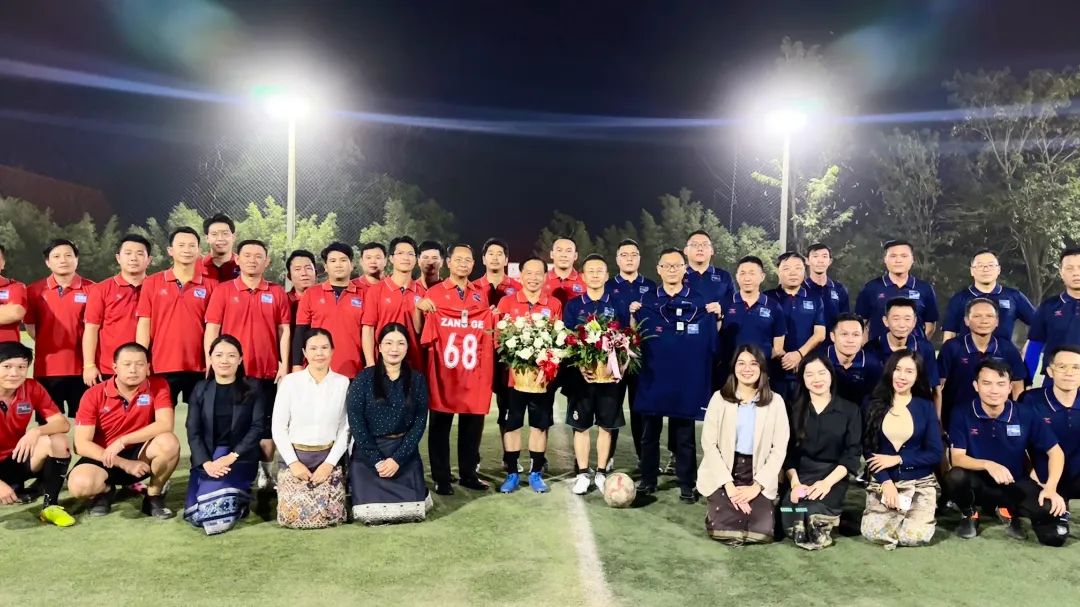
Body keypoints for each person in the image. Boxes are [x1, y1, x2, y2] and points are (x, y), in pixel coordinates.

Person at [946, 359, 1067, 545]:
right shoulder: (962, 412)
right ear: (976, 386)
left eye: (1001, 384)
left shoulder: (1025, 413)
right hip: (978, 484)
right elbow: (957, 458)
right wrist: (988, 464)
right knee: (955, 477)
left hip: (1014, 483)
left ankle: (1006, 509)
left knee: (1055, 536)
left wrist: (1050, 487)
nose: (994, 390)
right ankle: (970, 513)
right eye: (986, 383)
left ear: (1010, 387)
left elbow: (1056, 452)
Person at [632, 248, 720, 502]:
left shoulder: (700, 302)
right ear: (658, 269)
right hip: (653, 377)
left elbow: (713, 345)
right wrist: (632, 314)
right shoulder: (646, 302)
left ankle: (686, 483)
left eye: (677, 265)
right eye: (666, 266)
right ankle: (648, 480)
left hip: (685, 380)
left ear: (684, 268)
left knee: (684, 434)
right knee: (650, 433)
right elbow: (633, 339)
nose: (672, 270)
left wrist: (717, 316)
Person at [204, 239, 291, 489]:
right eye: (247, 255)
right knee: (232, 425)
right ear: (237, 259)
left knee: (265, 426)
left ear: (267, 261)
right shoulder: (223, 291)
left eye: (258, 256)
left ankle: (265, 474)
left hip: (267, 372)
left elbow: (283, 330)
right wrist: (211, 360)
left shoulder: (276, 292)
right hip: (232, 374)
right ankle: (229, 472)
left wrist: (283, 364)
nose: (253, 259)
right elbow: (212, 328)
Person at [67, 343, 180, 519]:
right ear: (115, 367)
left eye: (140, 364)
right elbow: (81, 445)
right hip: (103, 456)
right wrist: (124, 463)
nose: (133, 370)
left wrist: (123, 441)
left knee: (168, 442)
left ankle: (153, 495)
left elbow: (165, 424)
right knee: (80, 486)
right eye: (127, 364)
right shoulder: (93, 394)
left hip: (140, 454)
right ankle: (104, 491)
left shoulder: (159, 385)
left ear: (148, 367)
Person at [418, 244, 495, 495]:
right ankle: (441, 476)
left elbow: (485, 329)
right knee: (440, 421)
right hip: (444, 369)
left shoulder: (479, 293)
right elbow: (424, 332)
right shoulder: (435, 292)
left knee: (472, 421)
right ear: (448, 263)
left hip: (472, 369)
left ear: (474, 265)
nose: (463, 263)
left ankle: (468, 473)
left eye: (468, 260)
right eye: (458, 259)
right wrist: (421, 308)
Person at [697, 345, 789, 545]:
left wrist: (756, 487)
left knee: (762, 533)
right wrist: (730, 487)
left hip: (758, 473)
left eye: (753, 364)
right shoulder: (719, 399)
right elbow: (709, 446)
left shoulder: (776, 402)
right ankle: (716, 506)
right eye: (741, 363)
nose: (747, 369)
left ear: (762, 369)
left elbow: (779, 450)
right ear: (734, 368)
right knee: (725, 531)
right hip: (725, 472)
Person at [346, 323, 432, 524]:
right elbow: (356, 422)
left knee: (413, 511)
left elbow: (420, 422)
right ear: (379, 347)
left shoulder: (417, 380)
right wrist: (377, 460)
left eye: (401, 343)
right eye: (389, 343)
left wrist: (397, 460)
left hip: (403, 451)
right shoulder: (364, 379)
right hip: (369, 453)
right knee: (368, 513)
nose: (395, 349)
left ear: (407, 347)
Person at [183, 335, 266, 534]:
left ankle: (241, 497)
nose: (224, 360)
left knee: (214, 518)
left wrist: (231, 457)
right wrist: (206, 463)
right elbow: (192, 429)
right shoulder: (201, 389)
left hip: (239, 457)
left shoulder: (253, 388)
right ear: (210, 358)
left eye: (231, 355)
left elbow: (257, 427)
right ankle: (237, 500)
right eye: (218, 355)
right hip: (208, 459)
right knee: (194, 515)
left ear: (240, 359)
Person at [860, 350, 943, 549]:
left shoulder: (925, 407)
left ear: (917, 376)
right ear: (890, 371)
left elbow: (935, 453)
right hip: (885, 481)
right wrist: (886, 482)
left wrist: (899, 459)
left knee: (914, 537)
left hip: (919, 482)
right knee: (873, 533)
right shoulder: (872, 404)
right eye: (897, 369)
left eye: (909, 371)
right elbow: (868, 449)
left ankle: (917, 515)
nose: (902, 376)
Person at [779, 353, 861, 550]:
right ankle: (834, 520)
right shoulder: (793, 409)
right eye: (810, 375)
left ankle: (833, 518)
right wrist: (795, 483)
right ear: (803, 379)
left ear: (831, 375)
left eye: (822, 373)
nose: (817, 379)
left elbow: (851, 455)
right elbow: (788, 453)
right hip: (800, 475)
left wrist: (826, 483)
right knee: (787, 509)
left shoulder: (850, 410)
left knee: (811, 508)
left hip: (832, 476)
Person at [495, 257, 562, 494]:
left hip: (542, 380)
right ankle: (512, 473)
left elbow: (558, 341)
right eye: (528, 273)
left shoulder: (553, 304)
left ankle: (535, 473)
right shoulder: (506, 302)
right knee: (512, 425)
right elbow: (498, 341)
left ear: (545, 277)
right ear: (520, 275)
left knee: (539, 426)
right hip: (513, 380)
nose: (533, 278)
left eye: (538, 274)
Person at [272, 329, 349, 529]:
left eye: (324, 348)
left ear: (333, 351)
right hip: (295, 459)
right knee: (291, 516)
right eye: (313, 348)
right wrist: (294, 463)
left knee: (332, 515)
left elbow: (346, 429)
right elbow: (278, 427)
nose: (319, 353)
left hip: (328, 459)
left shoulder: (343, 383)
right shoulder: (290, 382)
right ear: (304, 352)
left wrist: (329, 464)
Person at [564, 254, 626, 495]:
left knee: (606, 426)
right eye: (591, 271)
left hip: (609, 378)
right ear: (583, 275)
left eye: (600, 270)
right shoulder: (574, 305)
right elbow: (568, 339)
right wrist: (580, 365)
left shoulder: (617, 304)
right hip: (582, 378)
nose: (596, 274)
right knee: (580, 426)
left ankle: (601, 472)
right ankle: (582, 473)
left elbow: (625, 339)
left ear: (607, 275)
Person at [136, 227, 216, 405]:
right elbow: (144, 323)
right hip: (161, 364)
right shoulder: (152, 283)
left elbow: (213, 328)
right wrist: (141, 359)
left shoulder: (211, 285)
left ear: (199, 251)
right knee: (159, 421)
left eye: (191, 246)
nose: (187, 250)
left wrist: (212, 360)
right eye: (181, 245)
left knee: (199, 423)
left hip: (199, 366)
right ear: (170, 250)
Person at [0, 342, 75, 526]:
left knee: (57, 440)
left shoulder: (31, 387)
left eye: (21, 367)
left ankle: (51, 507)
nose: (14, 373)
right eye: (7, 367)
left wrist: (36, 431)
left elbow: (62, 424)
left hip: (14, 458)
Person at [26, 239, 96, 416]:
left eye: (68, 255)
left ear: (77, 259)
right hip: (47, 370)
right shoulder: (34, 290)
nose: (63, 260)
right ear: (48, 262)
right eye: (56, 256)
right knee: (49, 425)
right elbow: (30, 325)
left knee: (88, 424)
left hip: (84, 370)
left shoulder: (94, 290)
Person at [938, 298, 1026, 430]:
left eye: (989, 316)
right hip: (956, 419)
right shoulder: (951, 348)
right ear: (967, 320)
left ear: (997, 322)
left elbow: (1017, 388)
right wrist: (937, 423)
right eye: (977, 316)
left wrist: (1018, 420)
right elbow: (937, 388)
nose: (983, 321)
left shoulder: (1007, 349)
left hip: (997, 420)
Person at [472, 238, 521, 470]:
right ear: (483, 259)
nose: (494, 257)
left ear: (506, 259)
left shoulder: (517, 289)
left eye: (499, 253)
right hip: (480, 355)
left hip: (506, 358)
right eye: (490, 253)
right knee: (476, 407)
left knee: (507, 407)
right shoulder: (471, 288)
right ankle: (473, 458)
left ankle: (508, 458)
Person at [1022, 346, 1080, 539]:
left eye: (1076, 367)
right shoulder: (1030, 400)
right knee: (1054, 537)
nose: (1069, 373)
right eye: (1062, 366)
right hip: (1041, 480)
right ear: (1049, 371)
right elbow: (1017, 445)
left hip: (1076, 478)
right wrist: (1032, 474)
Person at [606, 238, 656, 465]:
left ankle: (643, 457)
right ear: (617, 259)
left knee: (641, 408)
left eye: (633, 254)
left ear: (639, 258)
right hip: (613, 357)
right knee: (612, 406)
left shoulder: (651, 286)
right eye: (624, 254)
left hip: (641, 358)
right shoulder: (608, 286)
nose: (628, 258)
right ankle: (607, 457)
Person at [83, 234, 152, 388]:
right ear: (118, 258)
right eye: (128, 253)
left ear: (149, 260)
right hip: (109, 368)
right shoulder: (101, 289)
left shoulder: (157, 288)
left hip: (148, 367)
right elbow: (91, 329)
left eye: (140, 254)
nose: (133, 258)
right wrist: (88, 365)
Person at [293, 243, 366, 377]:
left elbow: (369, 334)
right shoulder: (311, 294)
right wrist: (296, 366)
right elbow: (300, 332)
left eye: (343, 260)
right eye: (333, 261)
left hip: (354, 372)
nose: (338, 264)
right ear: (326, 267)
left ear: (352, 265)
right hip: (318, 371)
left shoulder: (364, 295)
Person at [863, 298, 942, 416]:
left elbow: (935, 389)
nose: (901, 325)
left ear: (914, 321)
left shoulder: (925, 348)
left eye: (907, 319)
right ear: (885, 321)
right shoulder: (871, 348)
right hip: (879, 412)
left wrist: (937, 422)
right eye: (896, 319)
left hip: (915, 412)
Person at [765, 252, 826, 402]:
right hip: (774, 369)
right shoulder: (767, 298)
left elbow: (820, 334)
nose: (793, 273)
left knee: (803, 418)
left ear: (804, 271)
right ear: (778, 271)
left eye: (798, 268)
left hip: (806, 369)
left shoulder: (815, 298)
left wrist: (798, 355)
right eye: (786, 268)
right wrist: (783, 356)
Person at [941, 249, 1035, 342]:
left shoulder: (1013, 296)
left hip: (1004, 355)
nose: (985, 269)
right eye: (980, 265)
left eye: (990, 265)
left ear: (998, 270)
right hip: (967, 355)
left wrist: (1027, 351)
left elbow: (1038, 325)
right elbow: (949, 334)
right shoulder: (959, 299)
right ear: (972, 271)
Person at [855, 239, 939, 341]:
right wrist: (869, 348)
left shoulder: (925, 288)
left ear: (913, 259)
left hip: (912, 354)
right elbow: (860, 324)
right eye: (893, 256)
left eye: (904, 256)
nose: (898, 260)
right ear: (885, 259)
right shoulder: (871, 288)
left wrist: (918, 346)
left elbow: (930, 325)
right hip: (878, 353)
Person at [362, 236, 425, 371]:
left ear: (416, 259)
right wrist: (370, 363)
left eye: (410, 254)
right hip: (383, 364)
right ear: (391, 258)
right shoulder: (376, 291)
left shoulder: (423, 293)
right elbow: (368, 329)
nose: (405, 258)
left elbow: (422, 331)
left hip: (414, 365)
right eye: (400, 253)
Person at [719, 256, 785, 376]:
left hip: (762, 373)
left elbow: (778, 348)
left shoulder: (773, 306)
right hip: (729, 372)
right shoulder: (724, 303)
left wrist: (758, 362)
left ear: (762, 276)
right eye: (742, 273)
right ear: (737, 276)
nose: (747, 278)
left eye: (752, 273)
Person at [1025, 247, 1080, 380]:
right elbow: (1035, 346)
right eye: (1069, 268)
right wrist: (1026, 380)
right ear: (1061, 273)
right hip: (1055, 381)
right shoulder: (1049, 306)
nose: (1076, 273)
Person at [825, 313, 882, 407]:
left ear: (863, 337)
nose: (850, 340)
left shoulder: (873, 365)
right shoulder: (819, 362)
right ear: (832, 336)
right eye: (844, 334)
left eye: (856, 335)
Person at [803, 243, 850, 338]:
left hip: (833, 347)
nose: (820, 260)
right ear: (807, 260)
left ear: (830, 261)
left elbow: (845, 321)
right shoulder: (800, 289)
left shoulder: (839, 289)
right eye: (815, 256)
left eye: (824, 256)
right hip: (804, 348)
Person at [542, 237, 585, 305]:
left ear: (575, 256)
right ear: (551, 254)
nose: (564, 255)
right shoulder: (540, 280)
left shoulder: (585, 281)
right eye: (559, 250)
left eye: (568, 251)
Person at [0, 243, 28, 343]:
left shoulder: (16, 287)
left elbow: (16, 313)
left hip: (7, 353)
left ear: (3, 263)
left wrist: (9, 312)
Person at [200, 213, 240, 282]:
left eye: (225, 233)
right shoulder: (197, 267)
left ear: (233, 237)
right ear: (207, 238)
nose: (220, 238)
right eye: (214, 234)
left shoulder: (244, 265)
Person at [285, 249, 318, 325]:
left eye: (308, 268)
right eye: (297, 269)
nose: (304, 273)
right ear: (289, 276)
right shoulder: (283, 301)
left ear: (316, 273)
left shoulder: (326, 299)